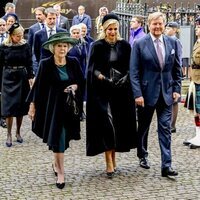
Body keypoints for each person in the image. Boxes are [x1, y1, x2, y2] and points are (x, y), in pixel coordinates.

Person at [27, 32, 84, 189]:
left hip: (69, 108)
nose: (62, 48)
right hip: (52, 108)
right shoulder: (45, 63)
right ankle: (60, 172)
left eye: (65, 45)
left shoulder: (73, 62)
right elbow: (37, 87)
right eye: (59, 45)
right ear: (53, 48)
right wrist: (32, 106)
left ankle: (55, 163)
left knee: (64, 139)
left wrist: (75, 86)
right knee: (58, 136)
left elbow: (81, 81)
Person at [130, 12, 182, 177]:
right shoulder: (140, 44)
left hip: (166, 93)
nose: (158, 27)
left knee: (165, 129)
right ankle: (142, 154)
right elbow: (134, 71)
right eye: (154, 24)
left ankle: (166, 165)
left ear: (164, 25)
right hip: (146, 95)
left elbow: (177, 69)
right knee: (143, 127)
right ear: (149, 25)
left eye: (160, 24)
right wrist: (137, 94)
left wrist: (176, 90)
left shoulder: (172, 42)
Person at [86, 13, 137, 178]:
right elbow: (91, 68)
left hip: (121, 92)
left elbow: (131, 67)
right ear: (104, 29)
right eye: (109, 29)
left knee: (117, 125)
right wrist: (103, 77)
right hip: (102, 92)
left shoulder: (125, 45)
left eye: (115, 29)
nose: (113, 32)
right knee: (107, 125)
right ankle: (108, 162)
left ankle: (114, 159)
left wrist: (125, 77)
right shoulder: (97, 45)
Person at [0, 22, 34, 147]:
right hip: (8, 77)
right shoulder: (4, 47)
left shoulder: (25, 46)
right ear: (11, 35)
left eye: (21, 35)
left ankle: (18, 132)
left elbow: (29, 62)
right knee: (9, 108)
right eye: (17, 36)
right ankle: (8, 134)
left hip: (21, 76)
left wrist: (31, 76)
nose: (20, 38)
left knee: (20, 107)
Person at [183, 17, 200, 149]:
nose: (197, 29)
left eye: (199, 26)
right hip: (195, 79)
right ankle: (197, 134)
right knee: (196, 109)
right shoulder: (198, 41)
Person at [33, 7, 67, 73]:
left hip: (60, 67)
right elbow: (36, 52)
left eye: (54, 18)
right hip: (45, 68)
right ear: (45, 18)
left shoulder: (63, 32)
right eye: (50, 18)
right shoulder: (38, 34)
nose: (52, 21)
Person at [164, 21, 183, 133]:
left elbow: (178, 59)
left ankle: (172, 125)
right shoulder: (165, 40)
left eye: (169, 28)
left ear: (174, 30)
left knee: (174, 100)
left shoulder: (176, 41)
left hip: (173, 71)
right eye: (166, 28)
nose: (166, 30)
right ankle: (167, 123)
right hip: (167, 72)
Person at [27, 6, 46, 74]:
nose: (37, 16)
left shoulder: (50, 27)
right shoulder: (32, 28)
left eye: (39, 14)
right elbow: (29, 45)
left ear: (45, 15)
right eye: (36, 15)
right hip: (36, 60)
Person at [0, 18, 7, 128]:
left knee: (4, 94)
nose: (2, 27)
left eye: (3, 25)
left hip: (6, 70)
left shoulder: (9, 38)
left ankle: (3, 117)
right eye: (0, 25)